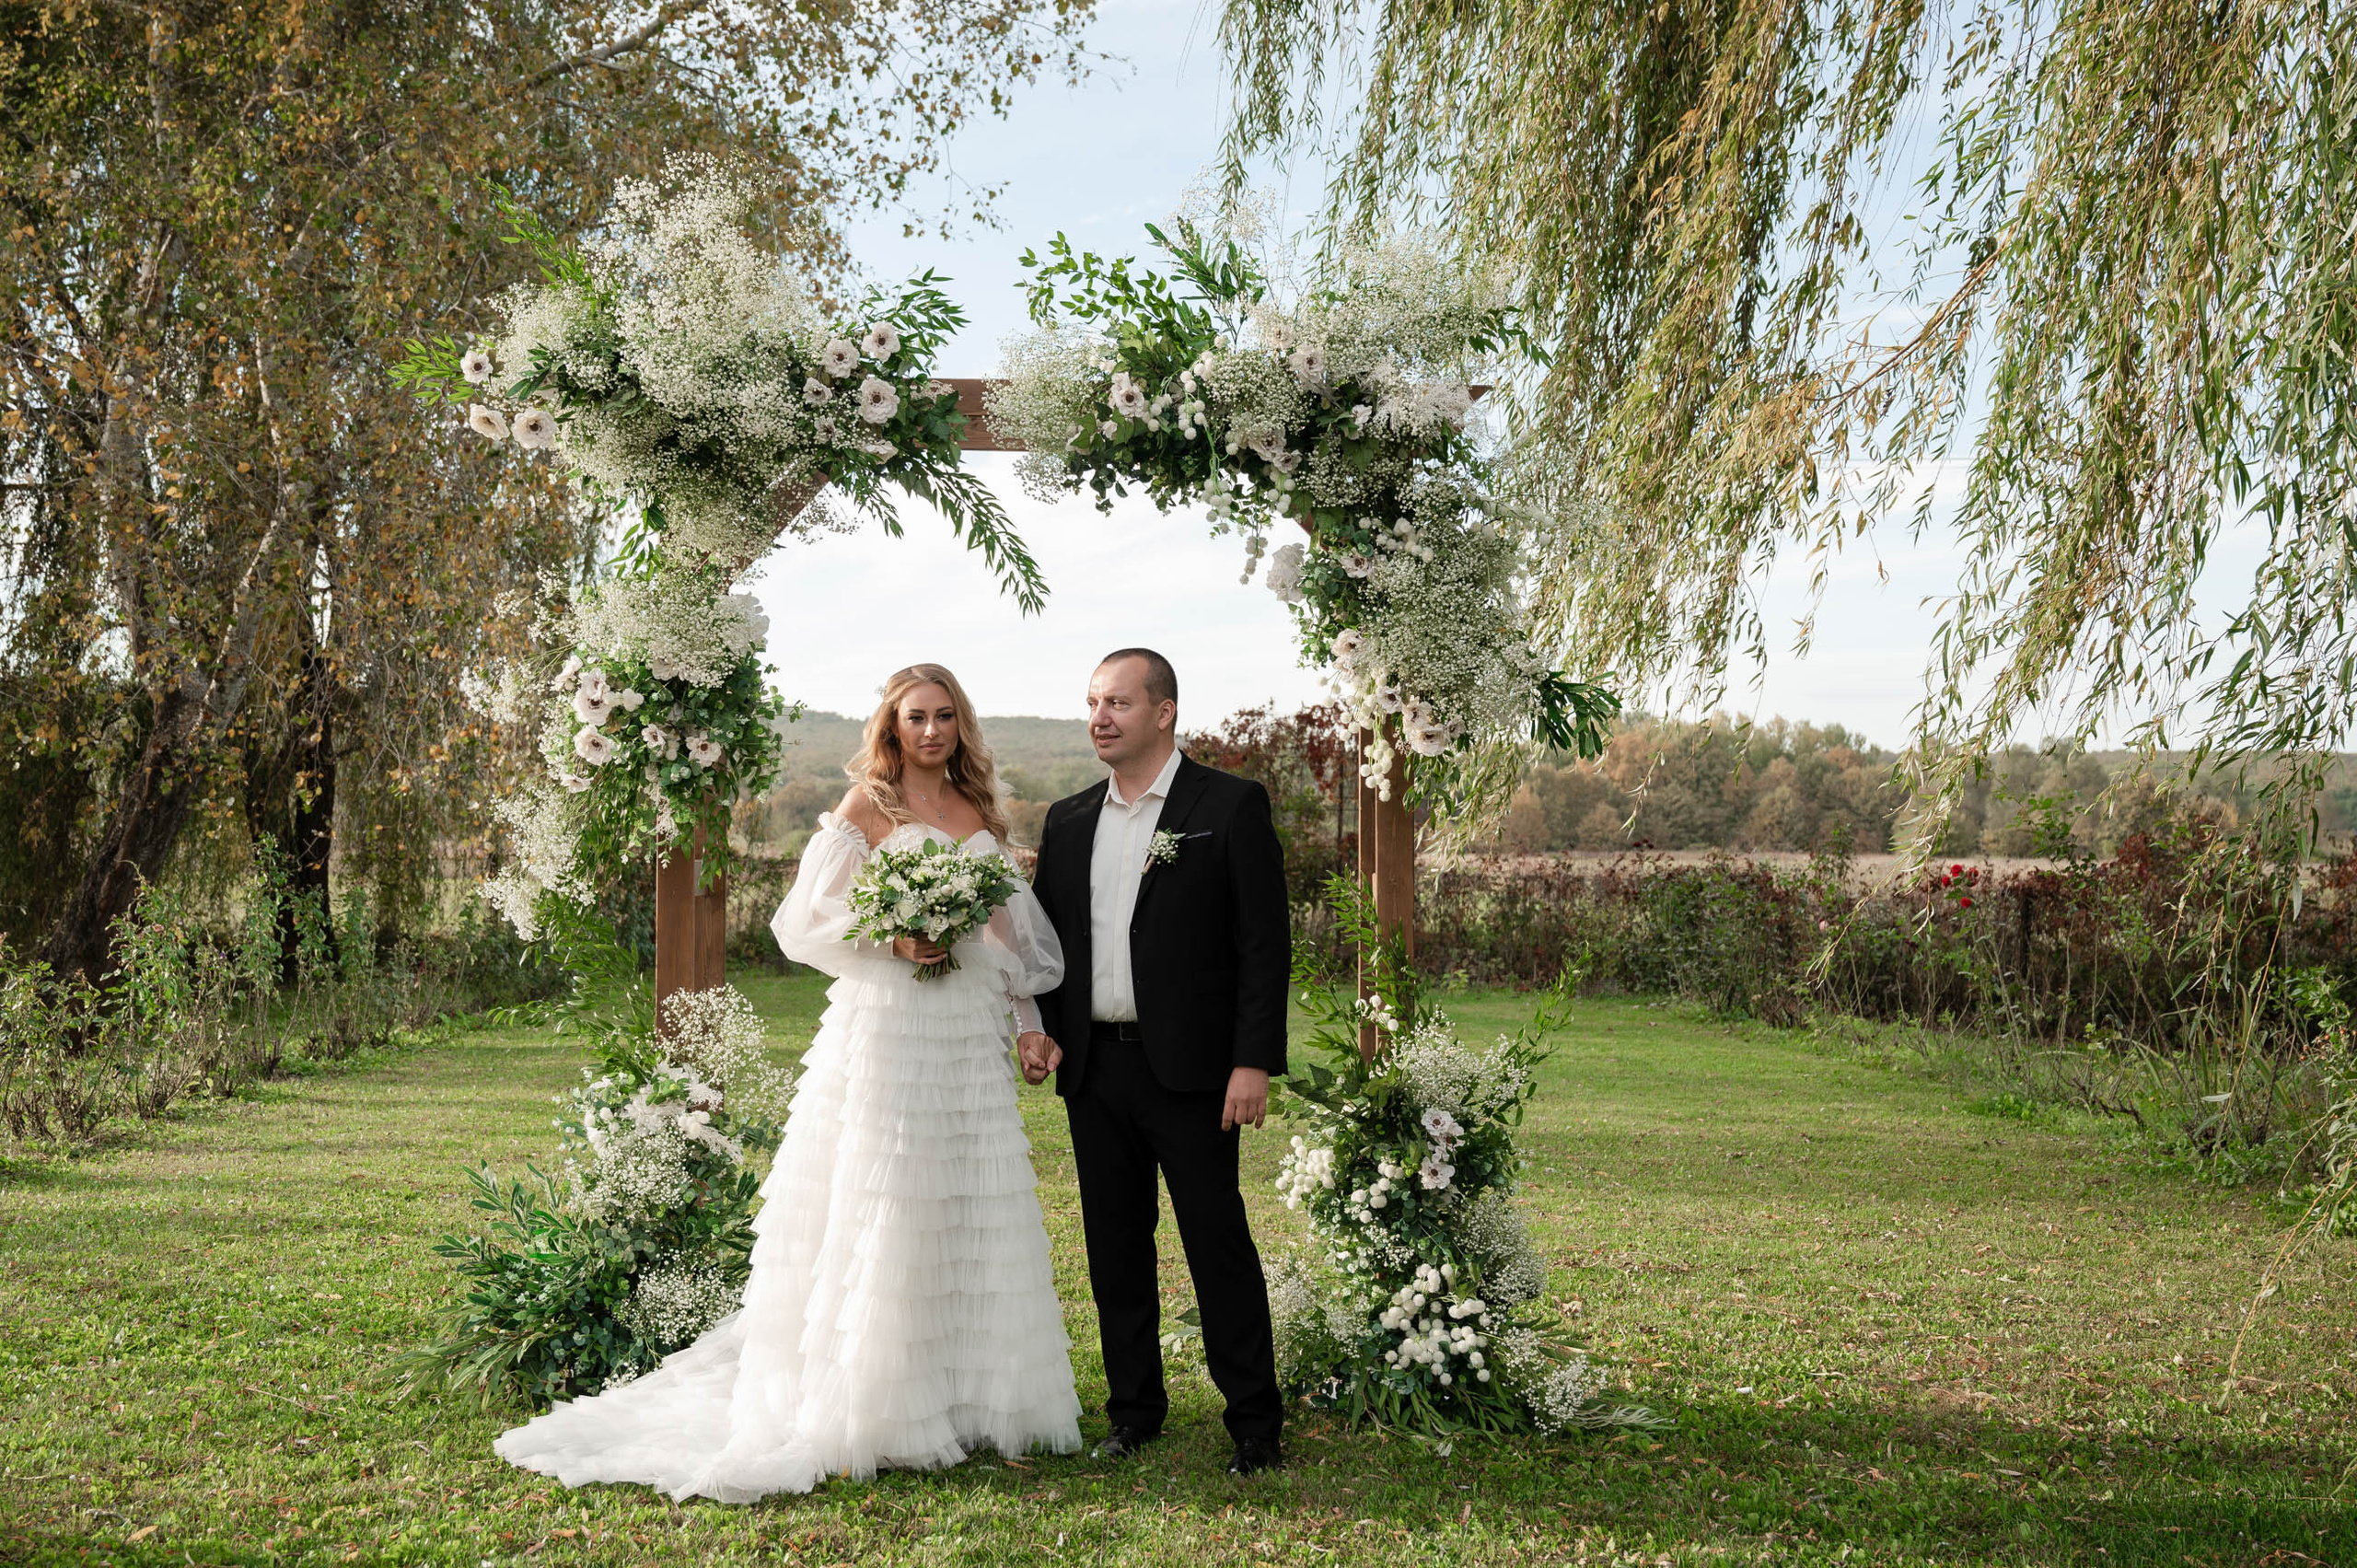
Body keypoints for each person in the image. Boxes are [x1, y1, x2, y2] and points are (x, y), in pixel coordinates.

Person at [494, 664, 1080, 1501]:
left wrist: (1028, 1024)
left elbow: (1004, 938)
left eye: (946, 715)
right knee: (891, 1192)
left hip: (966, 1029)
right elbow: (804, 921)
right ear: (891, 725)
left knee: (964, 1197)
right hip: (891, 1024)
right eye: (916, 715)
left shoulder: (980, 810)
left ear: (962, 724)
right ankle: (879, 1401)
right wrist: (894, 940)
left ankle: (964, 1394)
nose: (931, 730)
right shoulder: (867, 806)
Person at [1019, 647, 1291, 1476]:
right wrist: (1041, 1028)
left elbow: (1262, 944)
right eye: (1092, 703)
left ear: (1164, 711)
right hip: (1095, 1069)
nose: (1099, 718)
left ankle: (1255, 1421)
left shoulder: (1229, 805)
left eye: (1118, 703)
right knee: (1114, 1247)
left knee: (1216, 1241)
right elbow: (1048, 944)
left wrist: (1252, 1061)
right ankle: (1134, 1409)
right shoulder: (1068, 819)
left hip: (1196, 1073)